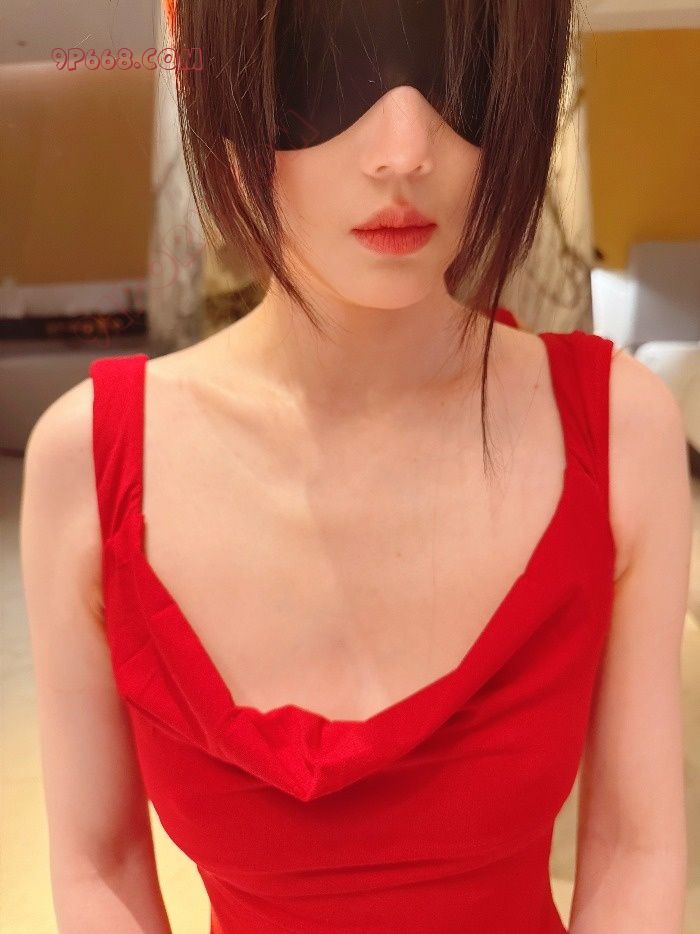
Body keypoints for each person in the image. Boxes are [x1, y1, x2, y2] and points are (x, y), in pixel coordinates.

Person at [20, 2, 691, 932]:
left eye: (461, 75)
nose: (404, 152)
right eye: (326, 71)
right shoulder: (87, 464)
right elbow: (101, 862)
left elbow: (636, 846)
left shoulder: (622, 431)